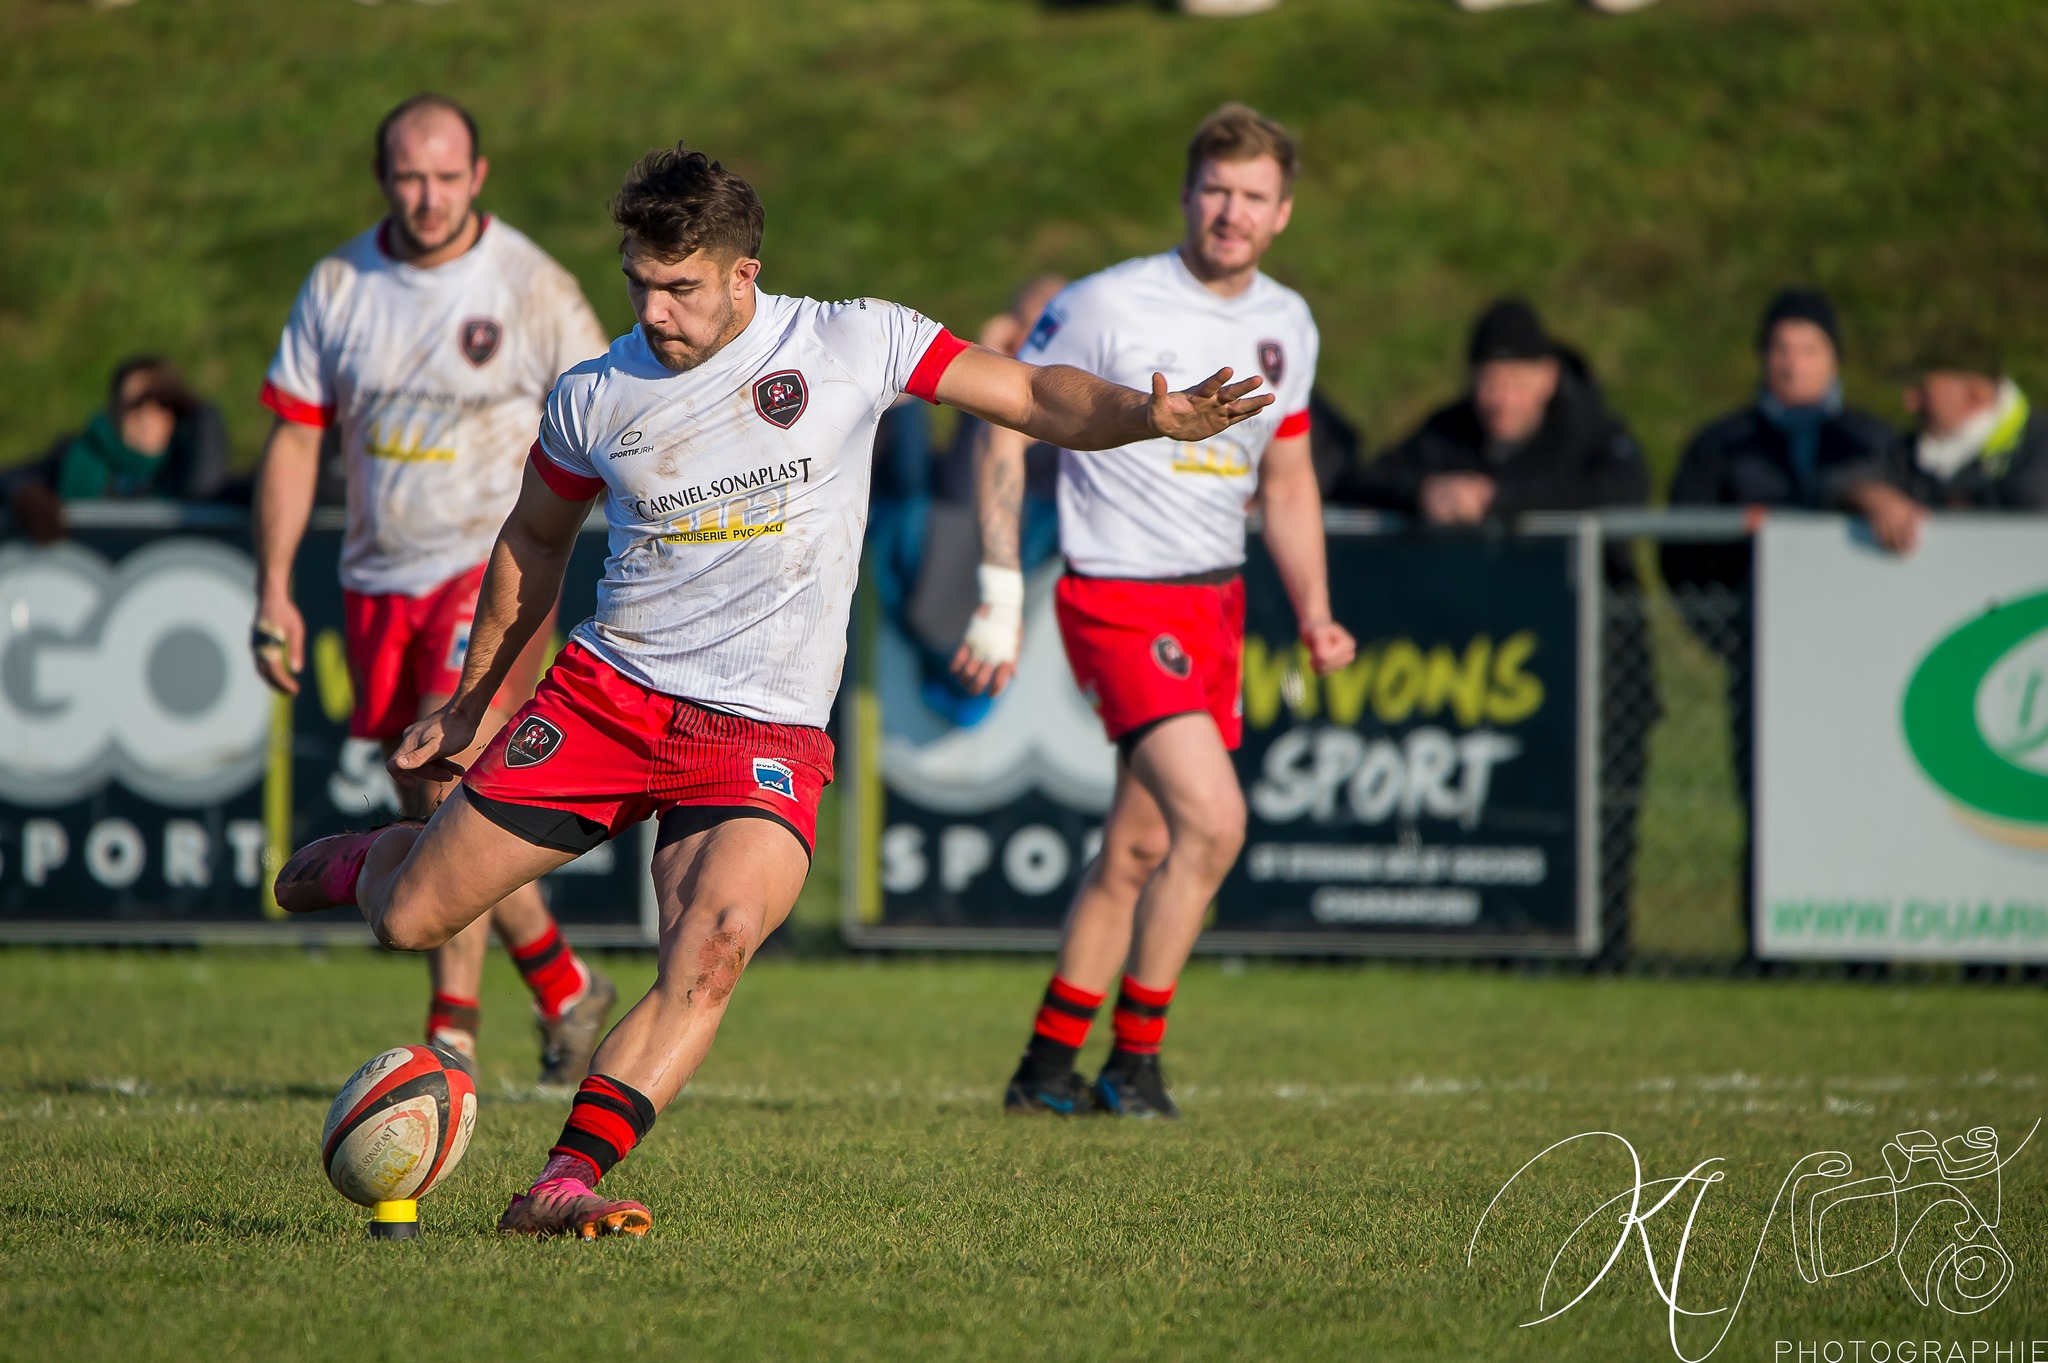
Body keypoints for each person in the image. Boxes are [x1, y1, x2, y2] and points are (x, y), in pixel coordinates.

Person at [269, 144, 1271, 1237]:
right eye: (639, 283)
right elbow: (533, 543)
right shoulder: (595, 394)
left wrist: (1146, 415)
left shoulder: (852, 339)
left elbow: (1029, 394)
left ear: (744, 273)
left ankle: (560, 1178)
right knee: (414, 917)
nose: (654, 309)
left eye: (680, 287)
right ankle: (376, 857)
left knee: (714, 946)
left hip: (763, 732)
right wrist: (471, 703)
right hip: (609, 697)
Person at [954, 104, 1355, 1119]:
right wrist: (1000, 593)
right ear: (1185, 196)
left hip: (1214, 600)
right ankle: (1134, 1062)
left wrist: (1312, 608)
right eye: (1215, 189)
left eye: (1253, 196)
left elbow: (1291, 479)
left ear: (1283, 213)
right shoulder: (1105, 304)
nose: (1231, 211)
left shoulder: (1287, 324)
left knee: (1136, 850)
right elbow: (1003, 426)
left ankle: (1045, 1069)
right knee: (1214, 823)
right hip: (1118, 596)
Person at [250, 94, 615, 1087]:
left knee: (449, 781)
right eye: (411, 177)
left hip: (488, 573)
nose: (428, 196)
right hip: (376, 580)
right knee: (424, 799)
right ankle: (563, 983)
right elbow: (293, 433)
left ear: (478, 178)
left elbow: (609, 406)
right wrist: (275, 586)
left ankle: (449, 1031)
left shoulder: (531, 285)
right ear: (384, 180)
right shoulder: (339, 285)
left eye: (448, 176)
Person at [1340, 298, 1653, 962]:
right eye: (1486, 379)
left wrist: (1499, 501)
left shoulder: (1591, 432)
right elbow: (1367, 480)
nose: (1497, 396)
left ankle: (1600, 949)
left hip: (1594, 668)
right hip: (1498, 674)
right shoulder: (1450, 432)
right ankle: (1492, 941)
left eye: (1512, 379)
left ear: (1545, 376)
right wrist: (1427, 494)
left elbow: (1623, 492)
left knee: (1604, 810)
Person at [6, 357, 233, 543]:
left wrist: (202, 415)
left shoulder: (186, 462)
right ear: (114, 409)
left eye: (162, 404)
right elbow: (13, 478)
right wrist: (26, 493)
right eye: (135, 404)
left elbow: (206, 490)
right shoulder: (80, 456)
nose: (147, 418)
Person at [1888, 337, 2048, 513]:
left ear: (1975, 395)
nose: (1909, 403)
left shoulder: (2038, 447)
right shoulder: (1906, 453)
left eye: (1923, 391)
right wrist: (1873, 496)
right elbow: (1865, 469)